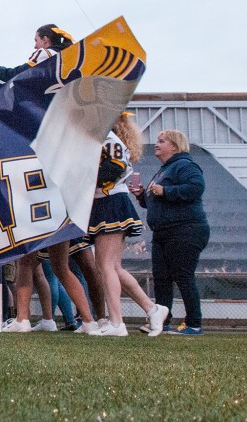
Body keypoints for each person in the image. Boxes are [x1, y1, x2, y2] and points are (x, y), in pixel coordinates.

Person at [88, 113, 169, 337]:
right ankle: (153, 309)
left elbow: (114, 168)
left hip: (110, 202)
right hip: (108, 201)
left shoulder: (108, 139)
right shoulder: (109, 139)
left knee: (105, 265)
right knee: (113, 267)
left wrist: (83, 177)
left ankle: (116, 322)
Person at [130, 129, 209, 336]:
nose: (156, 144)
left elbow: (196, 188)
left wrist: (166, 191)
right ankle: (162, 321)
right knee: (162, 278)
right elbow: (157, 202)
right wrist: (141, 196)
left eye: (161, 141)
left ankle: (194, 324)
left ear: (174, 145)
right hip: (164, 232)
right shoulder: (164, 170)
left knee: (183, 275)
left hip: (186, 229)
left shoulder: (184, 165)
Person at [0, 24, 74, 87]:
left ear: (45, 39)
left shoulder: (45, 54)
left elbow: (17, 75)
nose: (35, 46)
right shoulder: (65, 58)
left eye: (36, 40)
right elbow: (28, 85)